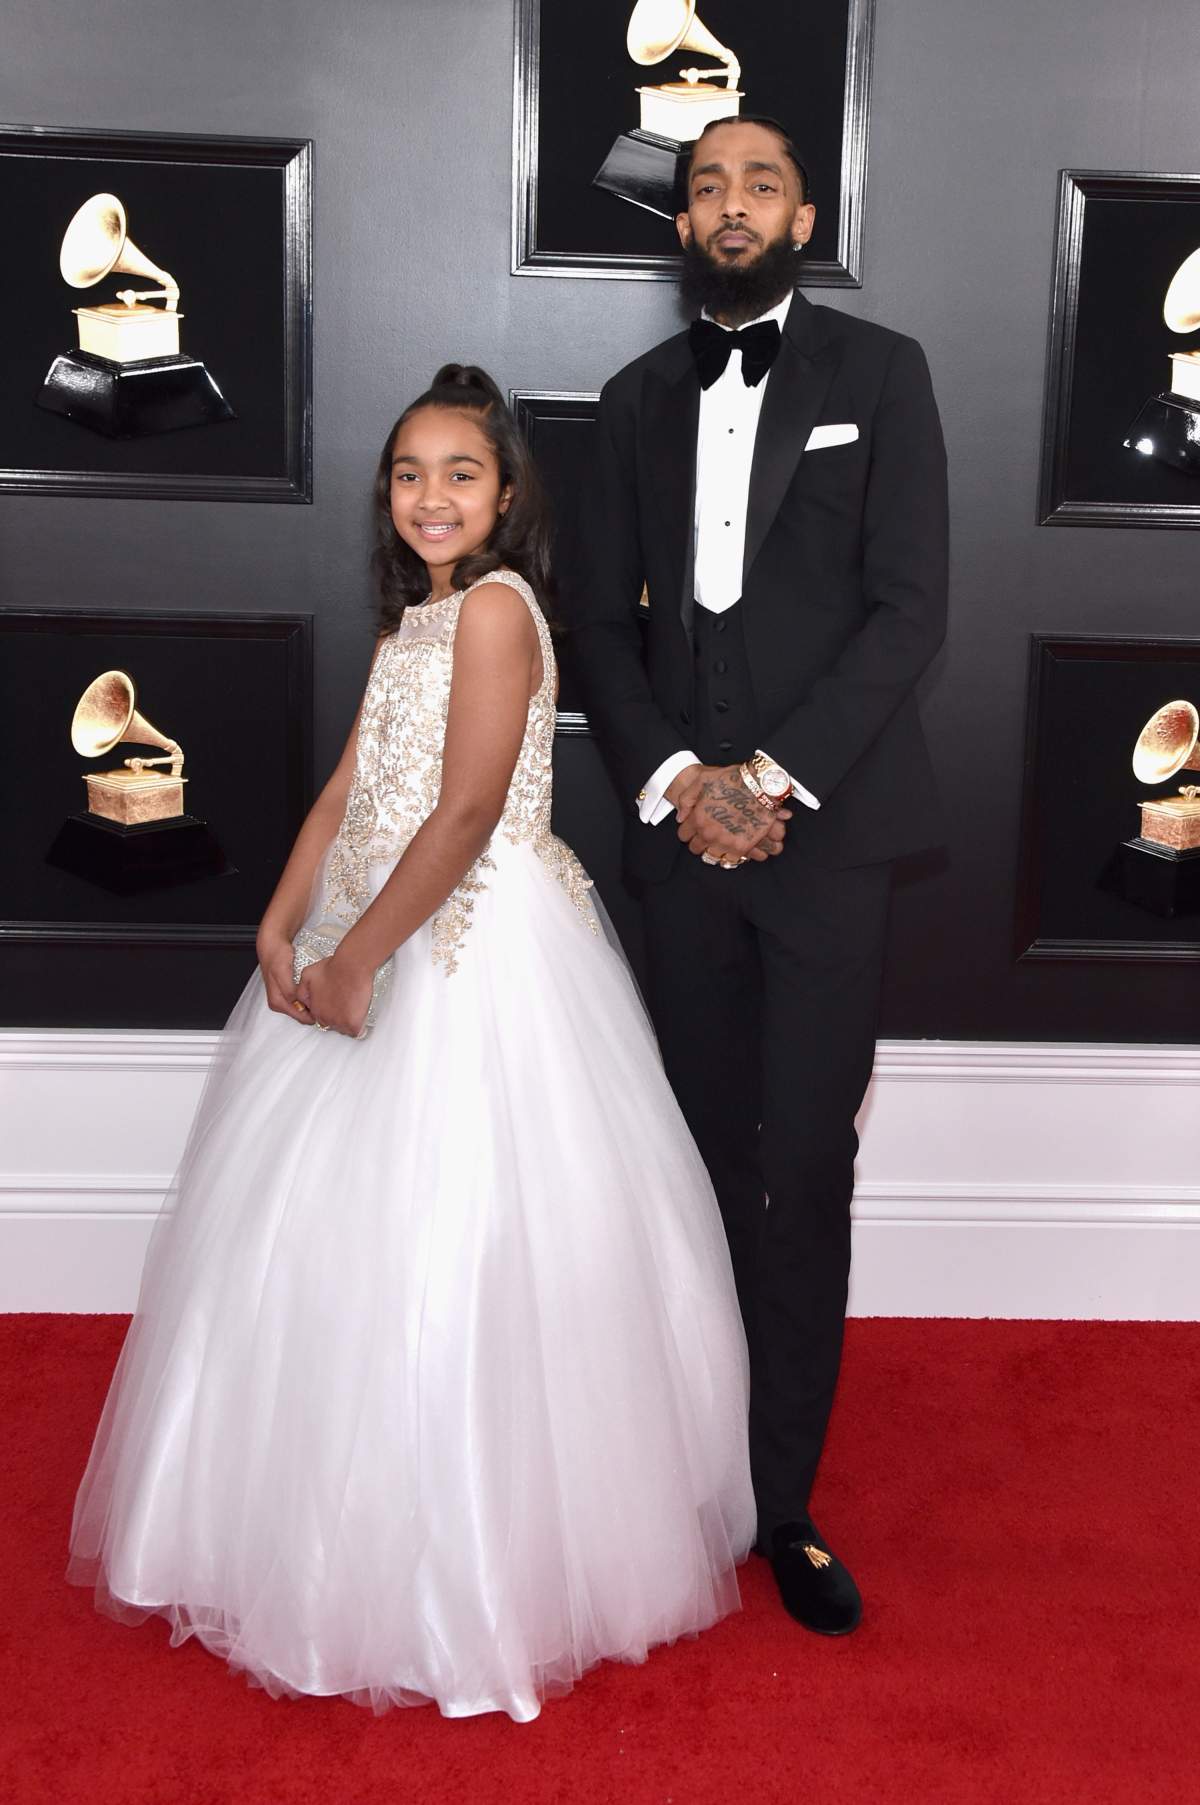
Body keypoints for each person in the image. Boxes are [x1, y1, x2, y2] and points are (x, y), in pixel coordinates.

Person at [67, 365, 755, 1721]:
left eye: (460, 473)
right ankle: (305, 1530)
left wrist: (358, 960)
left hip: (464, 952)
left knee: (457, 1239)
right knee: (318, 1245)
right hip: (360, 931)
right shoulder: (416, 620)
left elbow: (465, 814)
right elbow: (346, 789)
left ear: (506, 495)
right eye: (407, 473)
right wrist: (281, 926)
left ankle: (471, 1577)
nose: (431, 496)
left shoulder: (497, 611)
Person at [572, 117, 948, 1636]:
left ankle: (782, 1502)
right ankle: (691, 1470)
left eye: (762, 184)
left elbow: (910, 610)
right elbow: (599, 628)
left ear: (804, 217)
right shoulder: (630, 402)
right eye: (707, 185)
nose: (732, 204)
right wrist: (682, 782)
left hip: (828, 842)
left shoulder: (885, 374)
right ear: (683, 224)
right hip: (678, 845)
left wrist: (774, 781)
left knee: (804, 1165)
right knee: (695, 1161)